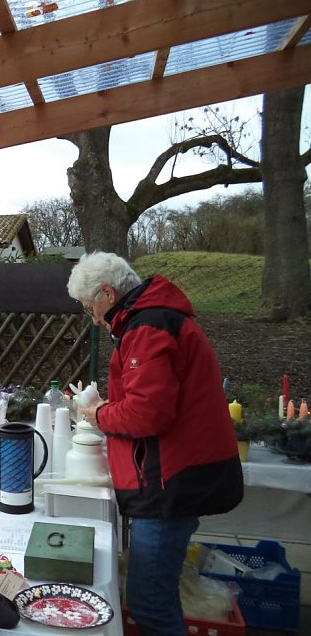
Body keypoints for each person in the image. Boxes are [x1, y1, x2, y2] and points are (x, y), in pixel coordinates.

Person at [68, 251, 243, 636]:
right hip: (175, 475)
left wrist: (100, 414)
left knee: (149, 601)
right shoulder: (153, 319)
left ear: (108, 294)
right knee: (154, 594)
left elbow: (147, 414)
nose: (93, 318)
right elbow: (152, 400)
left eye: (89, 307)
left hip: (171, 483)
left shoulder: (148, 327)